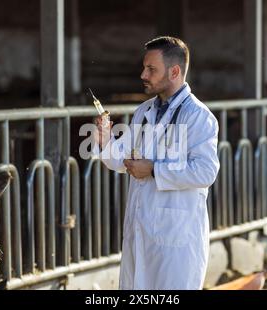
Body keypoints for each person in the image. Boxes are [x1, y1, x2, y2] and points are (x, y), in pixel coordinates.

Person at [94, 36, 219, 289]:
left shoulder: (198, 116)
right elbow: (122, 160)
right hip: (141, 232)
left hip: (177, 239)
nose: (143, 74)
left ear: (174, 71)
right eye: (144, 67)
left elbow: (206, 172)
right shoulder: (144, 112)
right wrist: (106, 139)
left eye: (151, 69)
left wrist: (152, 169)